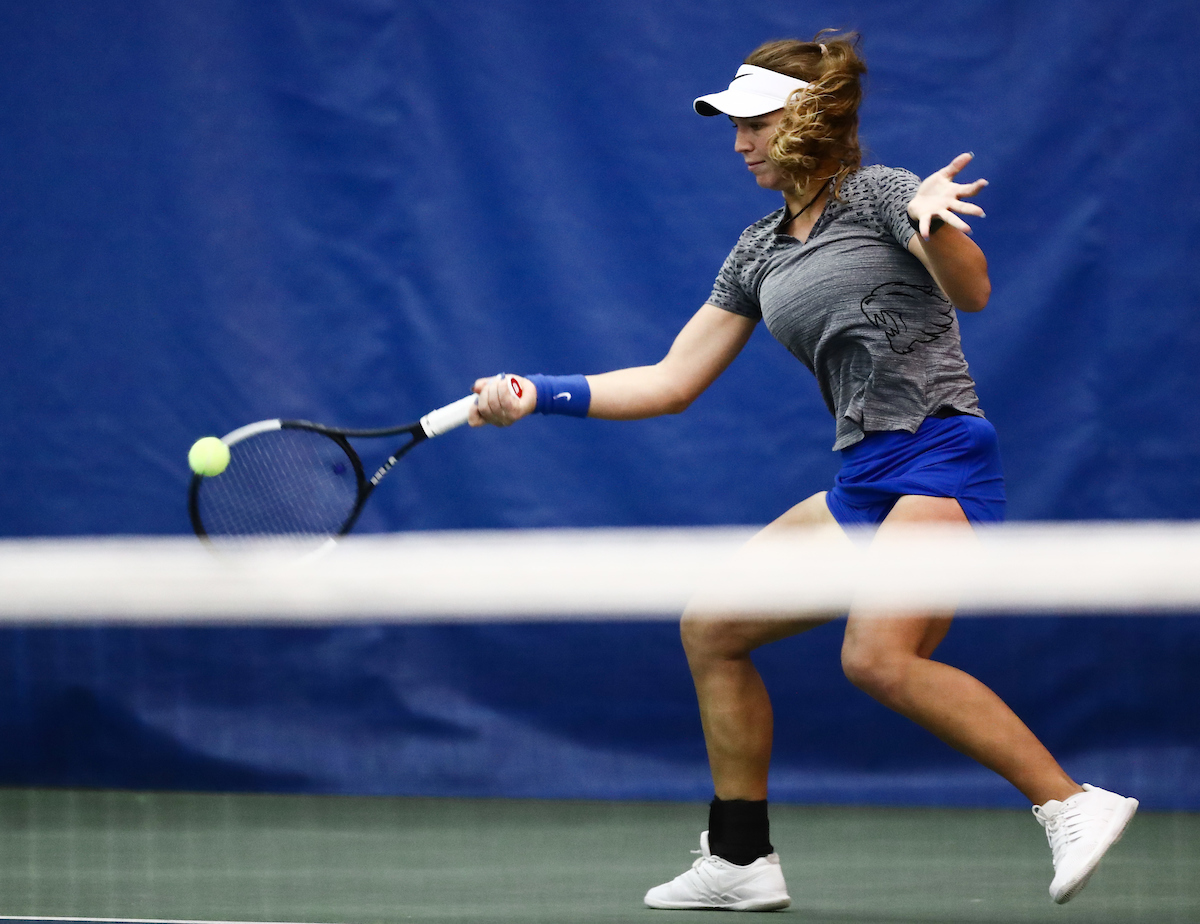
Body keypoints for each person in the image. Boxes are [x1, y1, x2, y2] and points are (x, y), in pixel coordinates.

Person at [468, 30, 1137, 910]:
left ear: (806, 118)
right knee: (713, 627)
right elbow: (672, 381)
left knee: (879, 659)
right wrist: (536, 391)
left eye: (753, 122)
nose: (738, 142)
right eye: (732, 126)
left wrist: (934, 224)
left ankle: (1072, 803)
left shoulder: (886, 194)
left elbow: (971, 291)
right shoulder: (758, 249)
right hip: (864, 473)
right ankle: (740, 859)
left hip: (939, 456)